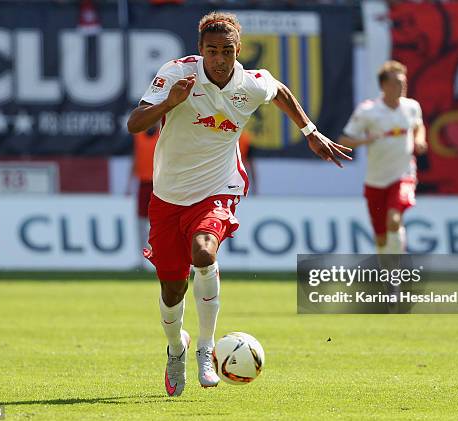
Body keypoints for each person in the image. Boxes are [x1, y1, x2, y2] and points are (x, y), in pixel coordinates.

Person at [127, 11, 352, 397]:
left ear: (237, 50)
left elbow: (279, 91)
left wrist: (310, 132)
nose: (219, 58)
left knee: (203, 251)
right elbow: (134, 123)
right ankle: (176, 348)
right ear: (200, 51)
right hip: (169, 194)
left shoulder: (251, 83)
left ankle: (205, 347)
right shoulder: (177, 74)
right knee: (171, 290)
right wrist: (170, 103)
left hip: (219, 186)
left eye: (226, 51)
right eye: (211, 51)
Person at [338, 60, 427, 255]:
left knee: (394, 221)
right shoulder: (368, 111)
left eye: (403, 82)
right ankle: (388, 277)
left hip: (403, 174)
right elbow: (344, 139)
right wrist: (366, 140)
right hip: (376, 180)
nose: (401, 86)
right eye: (396, 82)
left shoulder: (411, 107)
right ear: (384, 85)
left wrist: (420, 139)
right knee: (381, 238)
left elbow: (418, 125)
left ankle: (397, 274)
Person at [126, 125, 159, 268]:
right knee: (140, 223)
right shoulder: (138, 135)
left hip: (161, 183)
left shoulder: (164, 133)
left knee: (163, 222)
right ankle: (142, 260)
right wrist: (128, 183)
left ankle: (166, 258)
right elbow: (135, 157)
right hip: (143, 183)